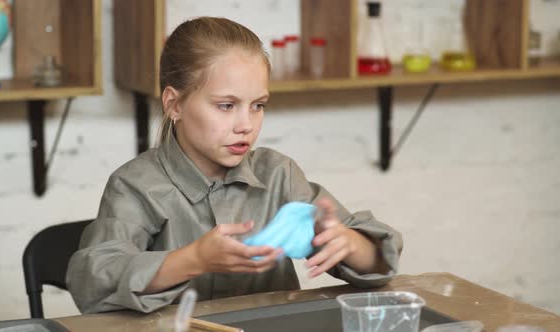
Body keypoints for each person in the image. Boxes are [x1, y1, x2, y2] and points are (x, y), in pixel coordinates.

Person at [67, 17, 402, 314]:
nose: (246, 124)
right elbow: (94, 281)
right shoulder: (135, 185)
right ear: (174, 104)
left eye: (258, 105)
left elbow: (378, 263)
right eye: (226, 105)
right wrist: (193, 259)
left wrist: (347, 242)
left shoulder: (278, 175)